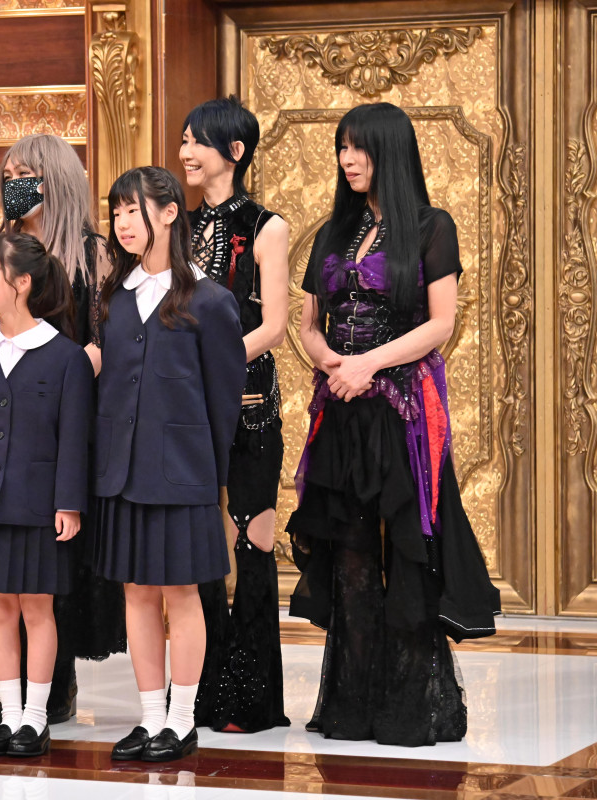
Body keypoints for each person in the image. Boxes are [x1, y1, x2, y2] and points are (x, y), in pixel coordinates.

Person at [289, 102, 501, 746]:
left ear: (390, 151)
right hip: (342, 409)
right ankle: (354, 703)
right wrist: (331, 363)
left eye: (358, 148)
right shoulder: (333, 230)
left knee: (406, 552)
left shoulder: (433, 226)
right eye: (341, 148)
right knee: (351, 554)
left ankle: (411, 707)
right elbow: (308, 325)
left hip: (402, 409)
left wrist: (368, 365)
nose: (347, 159)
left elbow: (442, 323)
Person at [0, 132, 121, 726]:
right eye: (8, 176)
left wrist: (66, 369)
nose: (14, 185)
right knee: (5, 582)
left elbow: (105, 339)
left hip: (66, 416)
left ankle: (53, 686)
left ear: (55, 179)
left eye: (25, 175)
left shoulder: (92, 252)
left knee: (54, 568)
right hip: (3, 414)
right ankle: (16, 695)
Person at [91, 166, 244, 762]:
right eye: (117, 212)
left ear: (171, 212)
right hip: (123, 472)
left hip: (183, 473)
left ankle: (181, 721)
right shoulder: (115, 298)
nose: (123, 223)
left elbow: (222, 401)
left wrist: (210, 481)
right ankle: (151, 717)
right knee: (136, 593)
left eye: (134, 210)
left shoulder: (210, 300)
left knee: (182, 595)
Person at [0, 233, 93, 758]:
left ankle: (36, 717)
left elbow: (74, 438)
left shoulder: (66, 357)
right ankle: (9, 716)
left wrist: (69, 502)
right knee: (0, 610)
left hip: (39, 506)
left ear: (22, 282)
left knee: (37, 610)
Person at [179, 96, 291, 733]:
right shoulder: (178, 226)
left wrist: (211, 364)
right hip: (189, 411)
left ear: (235, 151)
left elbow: (273, 326)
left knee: (251, 540)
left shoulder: (267, 227)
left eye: (197, 141)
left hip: (248, 405)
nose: (186, 153)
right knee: (201, 546)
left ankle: (252, 700)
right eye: (184, 141)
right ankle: (202, 692)